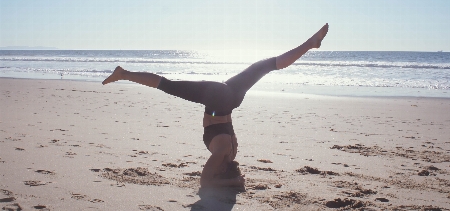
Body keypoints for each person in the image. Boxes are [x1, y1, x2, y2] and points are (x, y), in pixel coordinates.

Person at [102, 23, 329, 188]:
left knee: (266, 66)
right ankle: (124, 74)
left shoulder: (230, 152)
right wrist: (232, 182)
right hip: (219, 100)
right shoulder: (222, 153)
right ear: (222, 169)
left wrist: (234, 180)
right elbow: (205, 182)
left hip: (228, 101)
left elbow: (217, 166)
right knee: (167, 85)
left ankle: (309, 44)